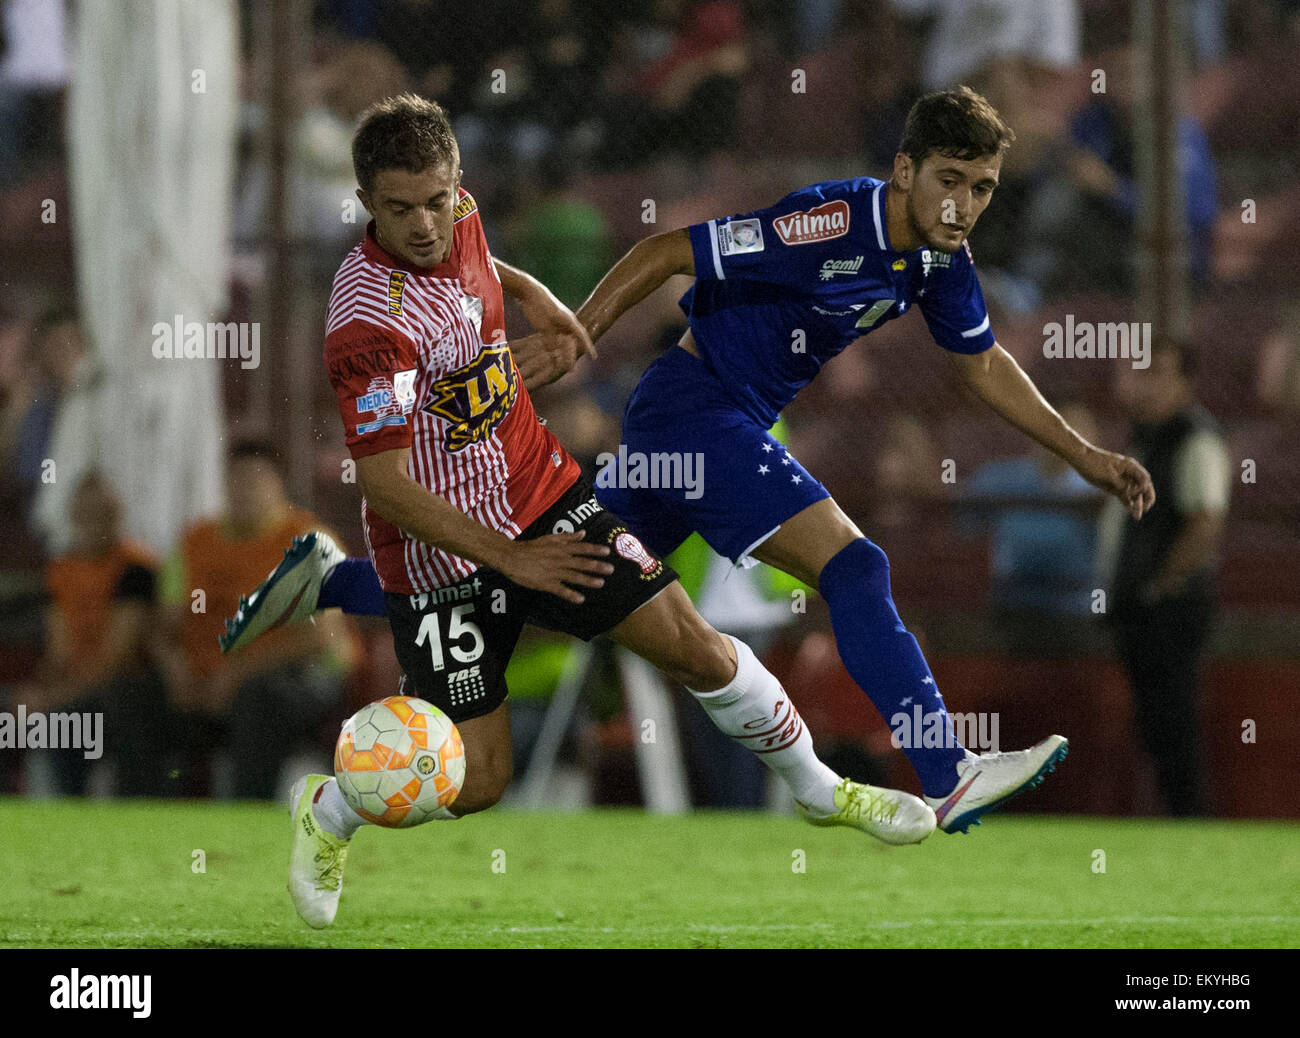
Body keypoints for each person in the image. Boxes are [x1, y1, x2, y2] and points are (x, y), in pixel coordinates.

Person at [230, 88, 1119, 876]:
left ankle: (337, 582)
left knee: (559, 599)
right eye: (949, 181)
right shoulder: (832, 226)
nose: (963, 206)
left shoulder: (939, 261)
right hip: (696, 413)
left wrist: (1084, 455)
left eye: (983, 188)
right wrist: (586, 326)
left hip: (622, 455)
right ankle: (945, 772)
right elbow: (663, 252)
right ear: (903, 169)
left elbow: (984, 362)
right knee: (854, 569)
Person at [159, 442, 358, 800]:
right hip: (209, 678)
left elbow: (319, 638)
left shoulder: (310, 541)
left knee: (259, 698)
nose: (244, 490)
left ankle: (249, 813)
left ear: (279, 485)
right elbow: (164, 626)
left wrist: (237, 674)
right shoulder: (195, 541)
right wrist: (174, 669)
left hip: (305, 677)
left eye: (256, 480)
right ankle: (148, 818)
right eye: (235, 480)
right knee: (137, 695)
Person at [1101, 339, 1230, 816]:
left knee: (1174, 721)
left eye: (1159, 374)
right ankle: (1172, 818)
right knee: (1156, 722)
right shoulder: (1147, 436)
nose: (1146, 385)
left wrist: (1161, 585)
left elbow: (1206, 521)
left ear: (1184, 383)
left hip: (1171, 607)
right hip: (1143, 604)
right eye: (1141, 373)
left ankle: (1188, 816)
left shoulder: (1195, 438)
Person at [26, 471, 168, 795]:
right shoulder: (62, 571)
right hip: (73, 687)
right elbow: (58, 654)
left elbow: (116, 660)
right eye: (84, 514)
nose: (92, 523)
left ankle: (75, 813)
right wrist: (35, 691)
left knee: (67, 720)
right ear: (73, 517)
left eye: (101, 514)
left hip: (124, 691)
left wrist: (51, 698)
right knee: (14, 714)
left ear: (116, 517)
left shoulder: (136, 569)